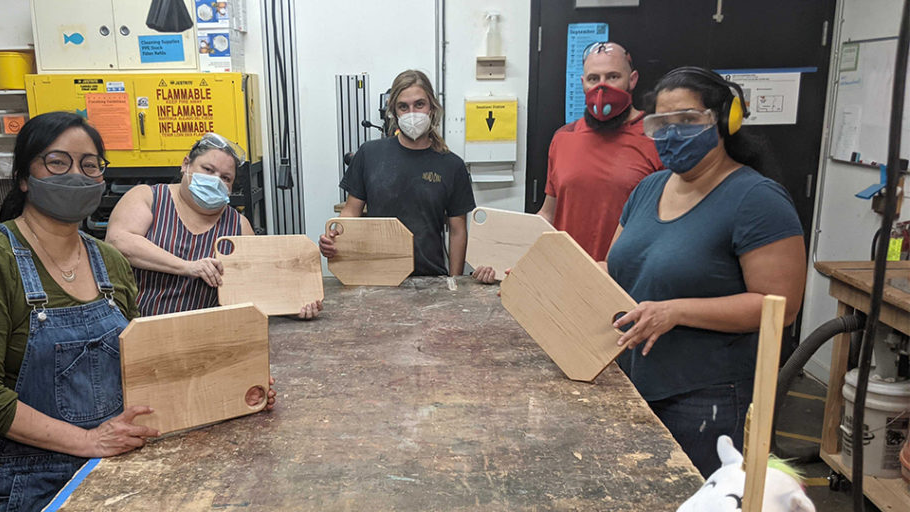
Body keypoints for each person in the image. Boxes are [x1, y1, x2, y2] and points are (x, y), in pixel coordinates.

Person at [0, 112, 159, 512]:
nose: (76, 174)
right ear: (25, 177)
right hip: (25, 479)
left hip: (116, 463)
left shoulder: (110, 261)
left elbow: (139, 364)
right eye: (58, 162)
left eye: (90, 165)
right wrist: (89, 441)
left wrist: (235, 387)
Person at [605, 67, 806, 477]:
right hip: (633, 381)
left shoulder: (756, 199)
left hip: (705, 397)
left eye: (688, 121)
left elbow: (779, 308)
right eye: (662, 123)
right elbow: (615, 267)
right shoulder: (649, 188)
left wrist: (675, 311)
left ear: (724, 121)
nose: (672, 134)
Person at [473, 42, 661, 284]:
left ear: (632, 79)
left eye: (612, 76)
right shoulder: (564, 138)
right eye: (594, 78)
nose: (602, 86)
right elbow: (547, 215)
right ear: (583, 83)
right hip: (563, 280)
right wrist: (502, 256)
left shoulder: (657, 139)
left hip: (627, 284)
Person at [106, 132, 322, 318]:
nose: (216, 180)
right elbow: (119, 242)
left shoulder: (238, 226)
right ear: (186, 164)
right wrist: (187, 266)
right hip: (142, 328)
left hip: (212, 334)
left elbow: (258, 283)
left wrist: (293, 307)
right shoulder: (149, 198)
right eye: (208, 170)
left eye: (226, 178)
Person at [319, 69, 476, 277]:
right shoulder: (369, 154)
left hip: (430, 278)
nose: (412, 113)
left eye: (419, 104)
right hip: (377, 275)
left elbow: (457, 231)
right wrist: (336, 234)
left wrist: (454, 283)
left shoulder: (452, 166)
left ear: (432, 108)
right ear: (393, 111)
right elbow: (351, 211)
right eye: (404, 106)